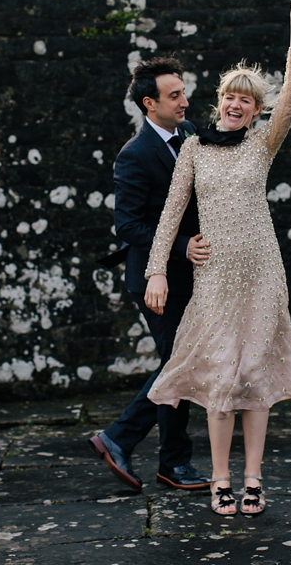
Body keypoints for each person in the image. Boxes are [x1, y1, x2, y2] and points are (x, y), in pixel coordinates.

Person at [143, 0, 291, 516]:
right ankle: (220, 478)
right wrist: (158, 272)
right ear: (219, 101)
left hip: (261, 271)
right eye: (230, 96)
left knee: (255, 377)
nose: (237, 104)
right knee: (221, 376)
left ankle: (254, 478)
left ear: (256, 110)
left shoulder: (263, 143)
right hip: (214, 275)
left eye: (247, 100)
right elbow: (172, 211)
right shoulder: (193, 147)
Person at [87, 56, 212, 492]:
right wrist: (181, 247)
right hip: (153, 280)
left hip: (193, 276)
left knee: (180, 363)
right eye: (174, 95)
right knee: (180, 364)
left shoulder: (192, 134)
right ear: (148, 103)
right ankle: (138, 446)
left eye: (183, 91)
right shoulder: (135, 155)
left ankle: (156, 456)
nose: (184, 100)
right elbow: (129, 225)